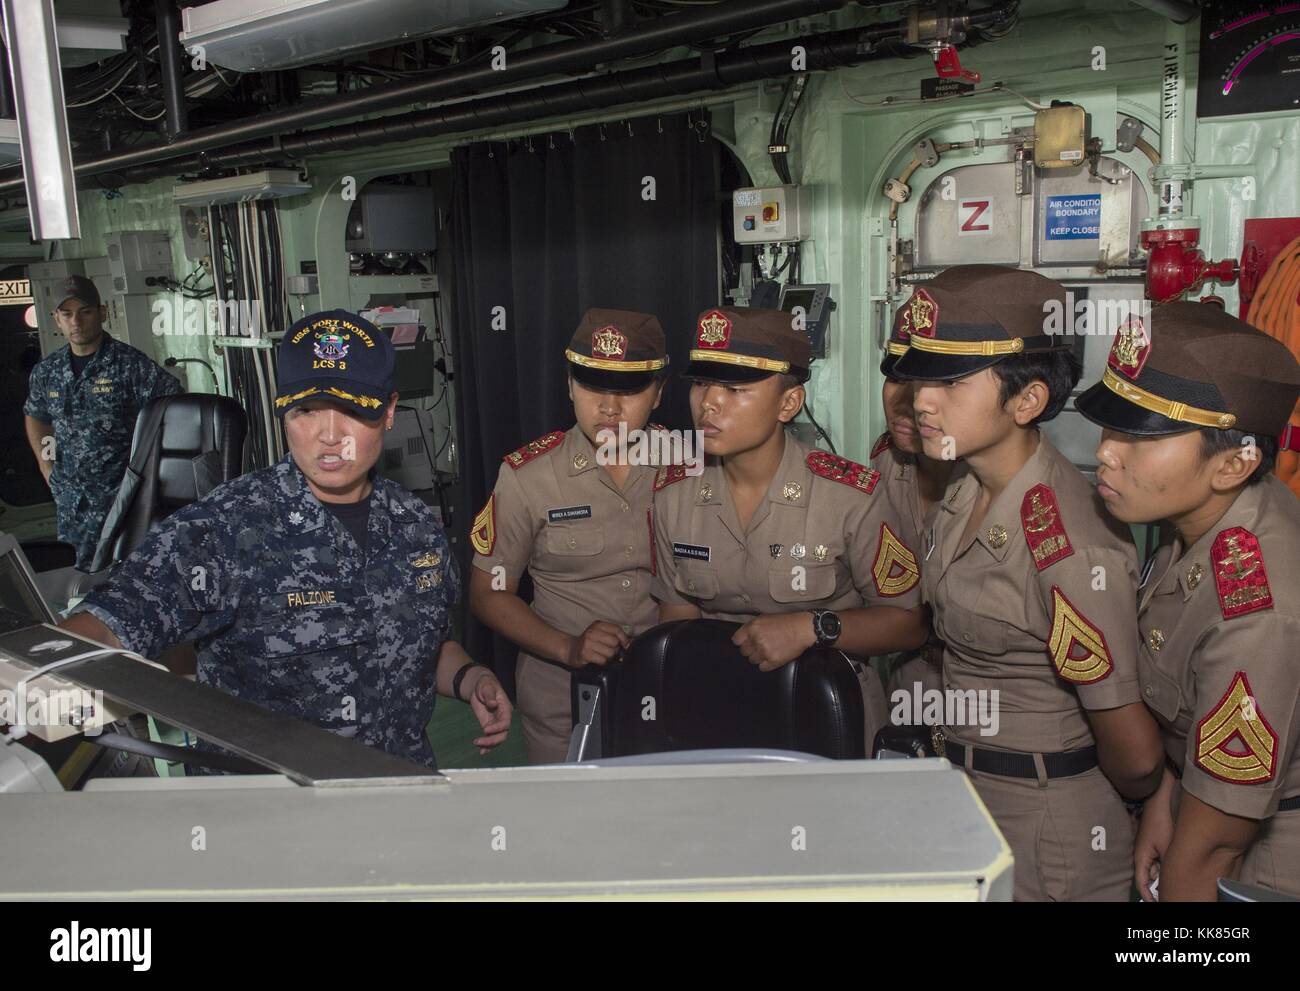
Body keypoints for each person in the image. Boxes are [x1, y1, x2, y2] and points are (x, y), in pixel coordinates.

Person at [59, 309, 510, 770]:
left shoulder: (415, 526)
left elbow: (425, 648)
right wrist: (32, 686)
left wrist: (470, 678)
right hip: (267, 813)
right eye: (306, 410)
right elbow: (106, 626)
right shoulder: (225, 529)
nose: (329, 436)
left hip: (393, 789)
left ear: (389, 411)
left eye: (353, 409)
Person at [892, 265, 1164, 901]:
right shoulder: (965, 488)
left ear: (1028, 400)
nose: (921, 399)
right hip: (965, 791)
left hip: (1047, 822)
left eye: (951, 380)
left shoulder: (1068, 542)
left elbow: (1137, 755)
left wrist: (1149, 806)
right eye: (922, 376)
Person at [1076, 301, 1300, 900]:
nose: (1106, 451)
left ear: (1231, 463)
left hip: (1259, 864)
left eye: (1140, 437)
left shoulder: (1258, 609)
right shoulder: (1203, 524)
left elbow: (1218, 845)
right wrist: (1168, 800)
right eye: (1111, 424)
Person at [651, 306, 930, 750]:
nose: (709, 403)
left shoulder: (850, 496)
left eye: (735, 388)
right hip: (718, 712)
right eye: (701, 383)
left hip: (829, 713)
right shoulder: (673, 496)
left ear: (788, 403)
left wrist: (812, 627)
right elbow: (678, 625)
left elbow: (908, 623)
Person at [470, 308, 670, 764]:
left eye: (629, 390)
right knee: (567, 829)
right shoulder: (528, 477)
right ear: (568, 386)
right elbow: (487, 593)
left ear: (658, 393)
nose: (609, 407)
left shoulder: (690, 467)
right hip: (563, 702)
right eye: (592, 386)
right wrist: (569, 647)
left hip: (669, 690)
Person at [23, 275, 184, 569]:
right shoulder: (47, 372)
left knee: (131, 578)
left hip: (122, 502)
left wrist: (149, 472)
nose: (76, 322)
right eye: (67, 314)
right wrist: (48, 467)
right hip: (73, 506)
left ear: (102, 312)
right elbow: (37, 416)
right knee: (81, 585)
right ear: (55, 319)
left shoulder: (131, 366)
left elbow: (175, 408)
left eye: (84, 311)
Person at [871, 291, 960, 699]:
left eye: (934, 381)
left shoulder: (1014, 495)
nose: (908, 399)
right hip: (905, 688)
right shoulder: (886, 464)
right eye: (897, 376)